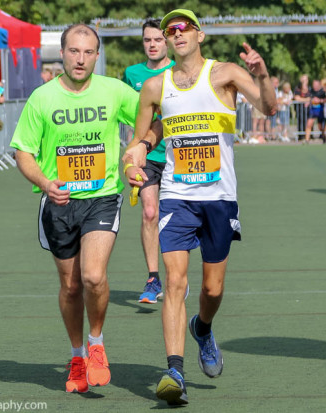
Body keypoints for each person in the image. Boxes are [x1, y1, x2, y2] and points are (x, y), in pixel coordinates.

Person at [123, 9, 276, 406]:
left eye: (183, 27)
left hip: (220, 197)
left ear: (199, 35)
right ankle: (174, 370)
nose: (175, 34)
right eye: (169, 29)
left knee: (212, 288)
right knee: (175, 282)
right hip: (176, 193)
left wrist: (260, 73)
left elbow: (269, 108)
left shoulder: (225, 74)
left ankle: (203, 328)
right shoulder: (155, 86)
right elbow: (140, 141)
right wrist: (132, 164)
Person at [10, 23, 159, 394]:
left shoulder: (114, 91)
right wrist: (45, 183)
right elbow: (23, 152)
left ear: (97, 56)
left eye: (88, 52)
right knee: (71, 285)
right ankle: (76, 354)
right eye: (73, 51)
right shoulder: (42, 98)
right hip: (58, 202)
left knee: (93, 276)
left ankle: (96, 343)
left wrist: (140, 148)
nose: (80, 58)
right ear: (62, 53)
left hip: (103, 196)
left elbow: (154, 118)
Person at [122, 18, 175, 304]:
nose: (152, 44)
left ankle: (177, 278)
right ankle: (153, 278)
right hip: (148, 155)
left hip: (178, 154)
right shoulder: (132, 74)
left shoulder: (178, 70)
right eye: (147, 40)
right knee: (150, 212)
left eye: (157, 39)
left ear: (166, 41)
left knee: (178, 217)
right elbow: (126, 111)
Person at [304, 79, 326, 143]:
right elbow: (308, 98)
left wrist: (320, 100)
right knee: (309, 124)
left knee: (320, 126)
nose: (315, 86)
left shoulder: (323, 92)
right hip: (313, 110)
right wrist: (309, 101)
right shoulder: (311, 91)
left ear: (319, 85)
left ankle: (324, 136)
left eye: (316, 85)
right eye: (314, 85)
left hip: (320, 111)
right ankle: (307, 139)